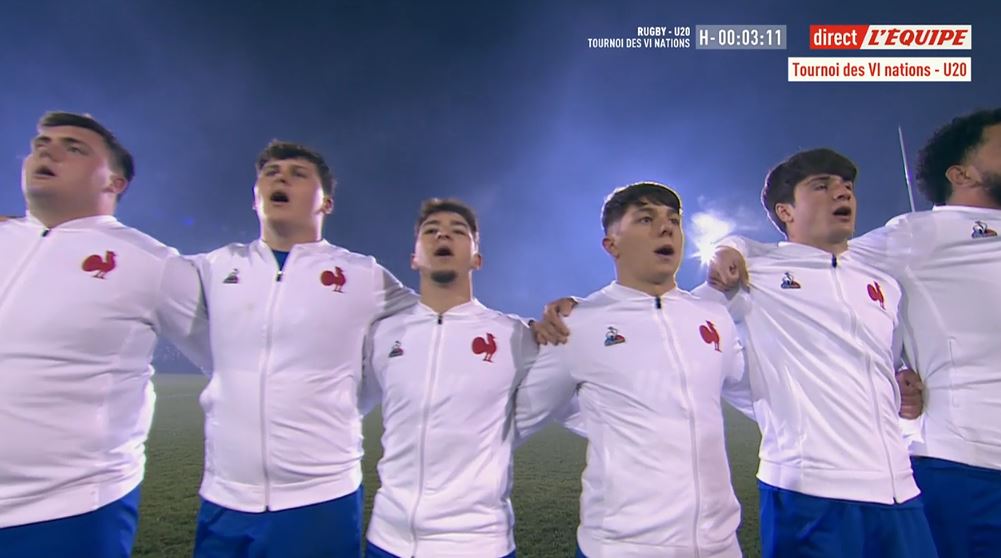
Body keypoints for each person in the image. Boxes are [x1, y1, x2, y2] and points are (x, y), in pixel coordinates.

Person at [702, 148, 936, 557]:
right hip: (811, 492)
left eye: (847, 187)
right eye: (822, 186)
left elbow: (887, 362)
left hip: (899, 489)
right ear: (785, 211)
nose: (842, 193)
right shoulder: (756, 274)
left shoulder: (882, 284)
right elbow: (684, 330)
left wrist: (901, 383)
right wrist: (768, 400)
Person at [191, 141, 416, 558]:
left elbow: (439, 318)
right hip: (225, 497)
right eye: (271, 172)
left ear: (326, 203)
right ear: (255, 197)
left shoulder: (361, 274)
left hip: (320, 498)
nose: (281, 178)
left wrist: (532, 329)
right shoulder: (213, 267)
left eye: (298, 174)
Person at [0, 112, 209, 558]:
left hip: (64, 513)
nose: (48, 152)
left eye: (73, 148)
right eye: (41, 144)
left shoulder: (152, 263)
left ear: (115, 182)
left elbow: (236, 358)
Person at [516, 182, 753, 558]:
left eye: (673, 220)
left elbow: (750, 388)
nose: (666, 228)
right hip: (623, 547)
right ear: (612, 244)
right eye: (646, 219)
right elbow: (522, 417)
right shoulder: (579, 325)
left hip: (720, 545)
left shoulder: (713, 318)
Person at [847, 108, 1001, 557]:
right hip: (970, 467)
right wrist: (884, 373)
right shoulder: (920, 236)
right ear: (961, 173)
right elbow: (814, 272)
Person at [362, 198, 552, 558]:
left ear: (477, 259)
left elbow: (572, 398)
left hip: (477, 543)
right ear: (414, 258)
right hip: (388, 540)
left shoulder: (516, 336)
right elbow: (350, 402)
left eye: (458, 231)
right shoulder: (384, 335)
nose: (443, 235)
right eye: (431, 231)